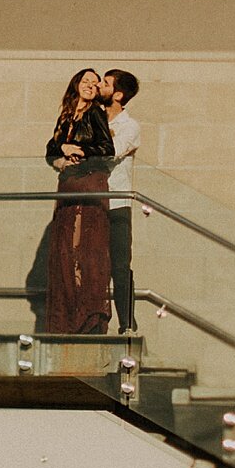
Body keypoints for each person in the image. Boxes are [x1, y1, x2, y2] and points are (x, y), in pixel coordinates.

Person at [35, 68, 114, 335]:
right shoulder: (67, 115)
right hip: (68, 185)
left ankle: (86, 318)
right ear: (76, 84)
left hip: (87, 183)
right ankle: (68, 317)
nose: (91, 85)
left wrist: (80, 149)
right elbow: (50, 148)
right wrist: (61, 150)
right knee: (66, 252)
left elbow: (106, 149)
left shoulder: (95, 113)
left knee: (82, 249)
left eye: (95, 83)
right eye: (86, 81)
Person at [101, 69, 141, 333]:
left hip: (117, 203)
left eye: (105, 83)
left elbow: (110, 153)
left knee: (119, 265)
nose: (99, 86)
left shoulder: (130, 126)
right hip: (91, 201)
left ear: (118, 94)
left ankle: (126, 323)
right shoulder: (90, 118)